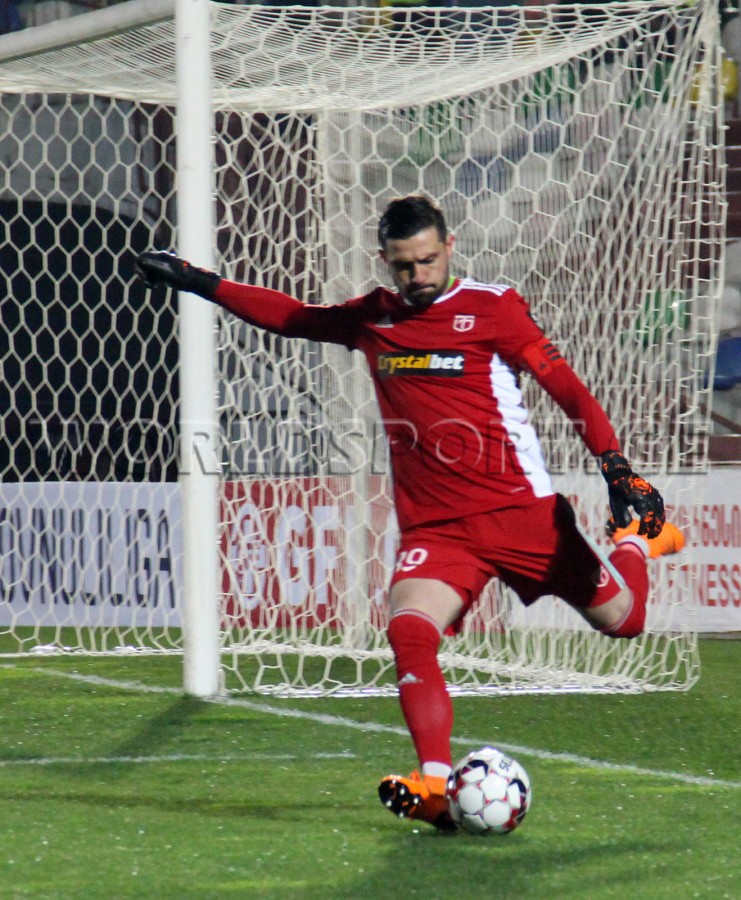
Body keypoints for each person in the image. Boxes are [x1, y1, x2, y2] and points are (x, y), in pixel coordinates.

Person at [134, 194, 684, 833]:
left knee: (625, 622)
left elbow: (566, 387)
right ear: (385, 261)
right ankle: (434, 784)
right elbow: (293, 318)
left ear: (449, 247)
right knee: (408, 629)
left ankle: (637, 542)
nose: (418, 276)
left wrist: (614, 465)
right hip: (439, 530)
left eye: (428, 260)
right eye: (404, 266)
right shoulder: (375, 318)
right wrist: (198, 282)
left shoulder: (494, 309)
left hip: (520, 515)